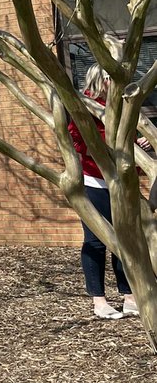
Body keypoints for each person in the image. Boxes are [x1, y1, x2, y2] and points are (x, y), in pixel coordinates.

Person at [66, 48, 139, 320]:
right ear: (102, 80)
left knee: (124, 238)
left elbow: (123, 140)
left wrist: (136, 144)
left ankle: (130, 296)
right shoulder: (85, 107)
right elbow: (75, 140)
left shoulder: (117, 107)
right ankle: (99, 301)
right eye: (112, 81)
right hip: (92, 181)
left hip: (118, 184)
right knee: (96, 240)